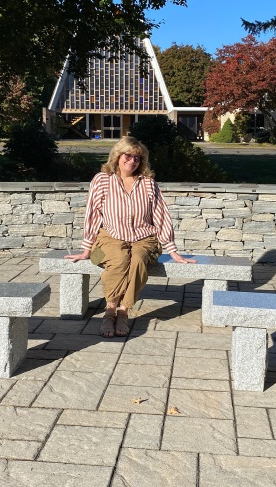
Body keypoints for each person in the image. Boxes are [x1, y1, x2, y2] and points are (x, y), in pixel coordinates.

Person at [65, 136, 195, 337]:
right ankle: (110, 311)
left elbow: (161, 215)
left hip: (144, 237)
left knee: (137, 261)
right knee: (119, 259)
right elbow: (93, 214)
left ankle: (123, 311)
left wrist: (173, 251)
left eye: (137, 157)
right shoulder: (102, 180)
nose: (132, 161)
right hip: (111, 235)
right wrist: (86, 249)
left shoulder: (148, 183)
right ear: (118, 156)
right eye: (128, 155)